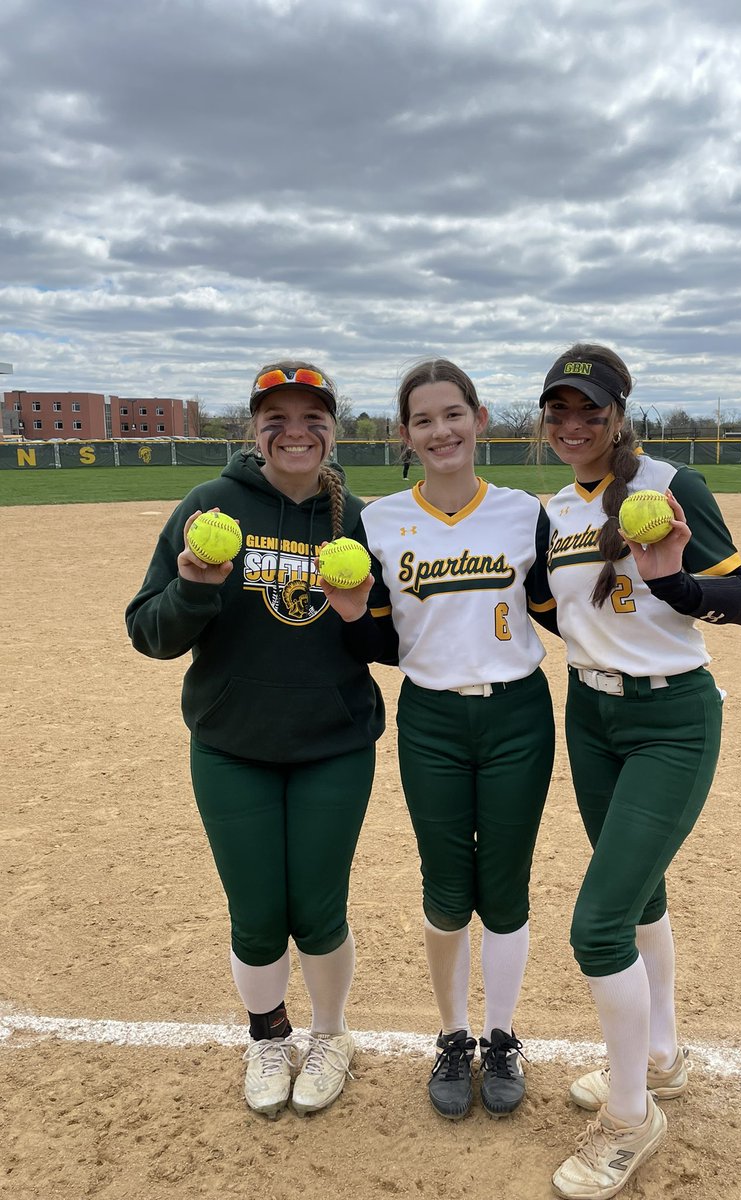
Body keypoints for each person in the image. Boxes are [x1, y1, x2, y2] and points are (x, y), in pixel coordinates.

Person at [125, 361, 385, 1120]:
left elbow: (393, 640)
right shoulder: (210, 506)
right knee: (257, 913)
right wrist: (195, 590)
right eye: (277, 416)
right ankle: (267, 1035)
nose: (295, 430)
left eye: (313, 416)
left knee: (319, 909)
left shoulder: (359, 520)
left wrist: (358, 616)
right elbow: (149, 632)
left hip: (333, 743)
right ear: (254, 427)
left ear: (333, 429)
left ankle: (331, 1035)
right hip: (232, 744)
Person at [536, 344, 741, 1200]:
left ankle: (632, 1116)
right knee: (642, 898)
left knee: (597, 927)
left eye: (589, 409)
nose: (573, 425)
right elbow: (552, 607)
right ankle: (660, 1060)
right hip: (591, 716)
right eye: (559, 411)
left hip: (671, 721)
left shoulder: (669, 486)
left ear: (620, 413)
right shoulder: (557, 505)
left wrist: (672, 588)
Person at [327, 358, 556, 1121]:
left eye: (452, 414)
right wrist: (355, 617)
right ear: (404, 434)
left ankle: (502, 1036)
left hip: (519, 713)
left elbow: (564, 613)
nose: (440, 431)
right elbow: (386, 641)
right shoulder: (380, 520)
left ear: (480, 418)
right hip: (429, 719)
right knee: (447, 886)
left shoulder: (525, 512)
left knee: (506, 884)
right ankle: (453, 1036)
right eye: (422, 420)